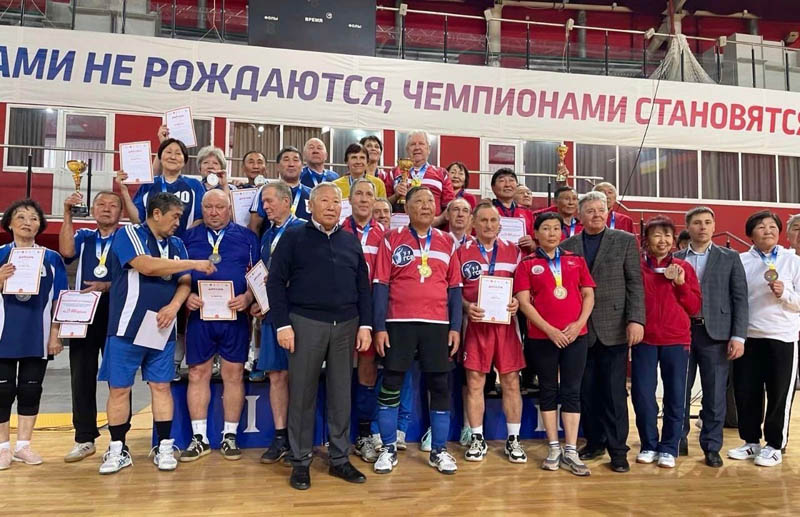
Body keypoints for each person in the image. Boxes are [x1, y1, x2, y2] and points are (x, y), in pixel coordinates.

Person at [96, 193, 216, 475]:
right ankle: (117, 448)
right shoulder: (130, 234)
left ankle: (164, 445)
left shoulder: (177, 244)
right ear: (157, 214)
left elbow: (184, 283)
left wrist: (174, 307)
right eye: (175, 216)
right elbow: (147, 265)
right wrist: (193, 263)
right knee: (119, 389)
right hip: (126, 328)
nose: (178, 222)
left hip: (161, 329)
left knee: (161, 387)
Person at [267, 182, 371, 490]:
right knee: (302, 395)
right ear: (310, 206)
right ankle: (300, 461)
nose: (330, 206)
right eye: (324, 201)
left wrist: (365, 325)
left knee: (341, 394)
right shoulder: (294, 236)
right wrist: (282, 325)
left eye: (336, 202)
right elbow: (275, 282)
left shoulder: (350, 240)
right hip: (305, 324)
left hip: (346, 326)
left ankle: (339, 459)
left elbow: (363, 287)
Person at [372, 186, 463, 476]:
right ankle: (388, 448)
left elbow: (455, 289)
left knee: (439, 387)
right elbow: (381, 285)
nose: (426, 206)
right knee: (391, 384)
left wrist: (456, 327)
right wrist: (379, 327)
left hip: (437, 325)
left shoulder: (447, 241)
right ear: (407, 208)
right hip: (398, 323)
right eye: (419, 201)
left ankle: (439, 450)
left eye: (430, 201)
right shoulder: (391, 238)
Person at [560, 190, 645, 473]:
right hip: (579, 329)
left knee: (614, 393)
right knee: (586, 391)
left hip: (615, 327)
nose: (596, 215)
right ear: (580, 216)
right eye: (590, 211)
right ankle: (595, 442)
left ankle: (618, 451)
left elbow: (635, 283)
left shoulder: (625, 240)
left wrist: (636, 320)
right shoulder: (568, 245)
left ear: (608, 212)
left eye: (601, 210)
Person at [179, 190, 259, 462]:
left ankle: (230, 436)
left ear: (230, 209)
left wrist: (248, 298)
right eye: (208, 207)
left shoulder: (247, 237)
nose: (214, 212)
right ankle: (199, 437)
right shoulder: (188, 237)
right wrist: (185, 297)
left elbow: (257, 275)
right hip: (199, 317)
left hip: (235, 317)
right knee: (197, 373)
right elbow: (177, 273)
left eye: (220, 207)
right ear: (202, 209)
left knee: (233, 374)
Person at [515, 212, 595, 475]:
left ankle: (570, 450)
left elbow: (588, 295)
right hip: (542, 338)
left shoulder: (576, 260)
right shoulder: (527, 264)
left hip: (575, 336)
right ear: (536, 233)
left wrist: (578, 324)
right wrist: (549, 330)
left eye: (556, 228)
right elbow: (524, 303)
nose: (552, 233)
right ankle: (553, 447)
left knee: (572, 390)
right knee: (548, 389)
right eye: (546, 228)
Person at [676, 207, 748, 468]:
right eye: (697, 222)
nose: (703, 227)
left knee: (715, 394)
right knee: (678, 390)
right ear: (688, 227)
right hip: (682, 332)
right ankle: (677, 440)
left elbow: (740, 299)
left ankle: (712, 445)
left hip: (716, 334)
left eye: (708, 222)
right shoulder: (675, 258)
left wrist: (738, 336)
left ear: (714, 226)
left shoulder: (730, 257)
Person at [59, 190, 127, 463]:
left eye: (113, 205)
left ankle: (119, 440)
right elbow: (66, 252)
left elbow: (133, 274)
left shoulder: (127, 237)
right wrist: (67, 213)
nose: (106, 209)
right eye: (101, 204)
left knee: (118, 378)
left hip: (116, 309)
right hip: (84, 310)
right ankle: (84, 438)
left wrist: (106, 285)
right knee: (81, 375)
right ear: (93, 209)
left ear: (121, 212)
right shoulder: (85, 236)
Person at [729, 211, 800, 467]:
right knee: (746, 392)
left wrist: (785, 294)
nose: (767, 230)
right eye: (761, 227)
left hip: (782, 336)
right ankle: (750, 442)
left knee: (779, 394)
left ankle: (774, 445)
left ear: (779, 232)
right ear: (750, 233)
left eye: (772, 226)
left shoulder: (793, 261)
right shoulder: (740, 261)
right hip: (748, 336)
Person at [0, 199, 67, 470]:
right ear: (9, 223)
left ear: (40, 225)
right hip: (3, 333)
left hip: (37, 334)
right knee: (2, 391)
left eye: (34, 218)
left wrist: (55, 335)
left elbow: (59, 299)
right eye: (21, 217)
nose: (28, 222)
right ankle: (3, 448)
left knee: (31, 389)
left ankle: (23, 445)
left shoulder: (52, 258)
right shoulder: (1, 254)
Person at [459, 202, 526, 464]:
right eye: (483, 220)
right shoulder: (461, 251)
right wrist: (467, 307)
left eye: (493, 220)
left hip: (506, 326)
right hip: (475, 325)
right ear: (473, 224)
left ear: (500, 224)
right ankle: (477, 438)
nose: (488, 225)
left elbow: (523, 290)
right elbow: (453, 290)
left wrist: (517, 302)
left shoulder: (514, 251)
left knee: (511, 382)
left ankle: (514, 439)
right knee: (475, 382)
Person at [633, 216, 702, 469]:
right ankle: (648, 444)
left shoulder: (684, 267)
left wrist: (681, 284)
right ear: (646, 240)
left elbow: (694, 307)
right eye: (656, 235)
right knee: (642, 395)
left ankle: (669, 447)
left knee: (676, 394)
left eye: (667, 235)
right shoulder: (637, 268)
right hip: (644, 340)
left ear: (673, 240)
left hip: (676, 340)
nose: (662, 240)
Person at [251, 182, 306, 465]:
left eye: (270, 201)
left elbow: (308, 273)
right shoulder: (268, 234)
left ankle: (300, 438)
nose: (265, 207)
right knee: (276, 375)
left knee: (301, 377)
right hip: (273, 314)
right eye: (263, 202)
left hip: (299, 315)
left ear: (287, 201)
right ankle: (281, 436)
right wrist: (258, 300)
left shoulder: (304, 230)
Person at [341, 178, 386, 463]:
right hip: (341, 309)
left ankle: (364, 433)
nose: (363, 199)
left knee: (367, 371)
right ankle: (337, 434)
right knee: (340, 370)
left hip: (370, 311)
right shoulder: (338, 229)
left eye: (369, 194)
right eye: (358, 194)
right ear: (350, 199)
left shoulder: (385, 234)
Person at [121, 138, 206, 240]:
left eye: (178, 153)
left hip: (184, 244)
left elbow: (200, 218)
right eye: (168, 152)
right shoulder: (149, 184)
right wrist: (124, 191)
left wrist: (182, 240)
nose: (173, 157)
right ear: (160, 158)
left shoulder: (194, 185)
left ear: (184, 161)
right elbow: (137, 219)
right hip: (151, 243)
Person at [386, 131, 454, 227]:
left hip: (432, 229)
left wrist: (438, 220)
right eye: (413, 144)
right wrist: (396, 196)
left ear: (429, 149)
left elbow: (451, 205)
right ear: (407, 149)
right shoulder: (394, 172)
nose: (417, 147)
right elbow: (384, 203)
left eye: (421, 143)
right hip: (400, 228)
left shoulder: (441, 173)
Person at [249, 147, 312, 236]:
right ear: (278, 167)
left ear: (302, 167)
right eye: (286, 160)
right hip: (273, 243)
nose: (291, 164)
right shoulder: (265, 190)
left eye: (295, 160)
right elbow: (254, 226)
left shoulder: (312, 194)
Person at [490, 168, 535, 252]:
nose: (507, 185)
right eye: (502, 181)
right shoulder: (486, 211)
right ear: (493, 187)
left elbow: (537, 245)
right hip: (494, 257)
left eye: (511, 180)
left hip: (522, 258)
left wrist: (532, 244)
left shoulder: (527, 213)